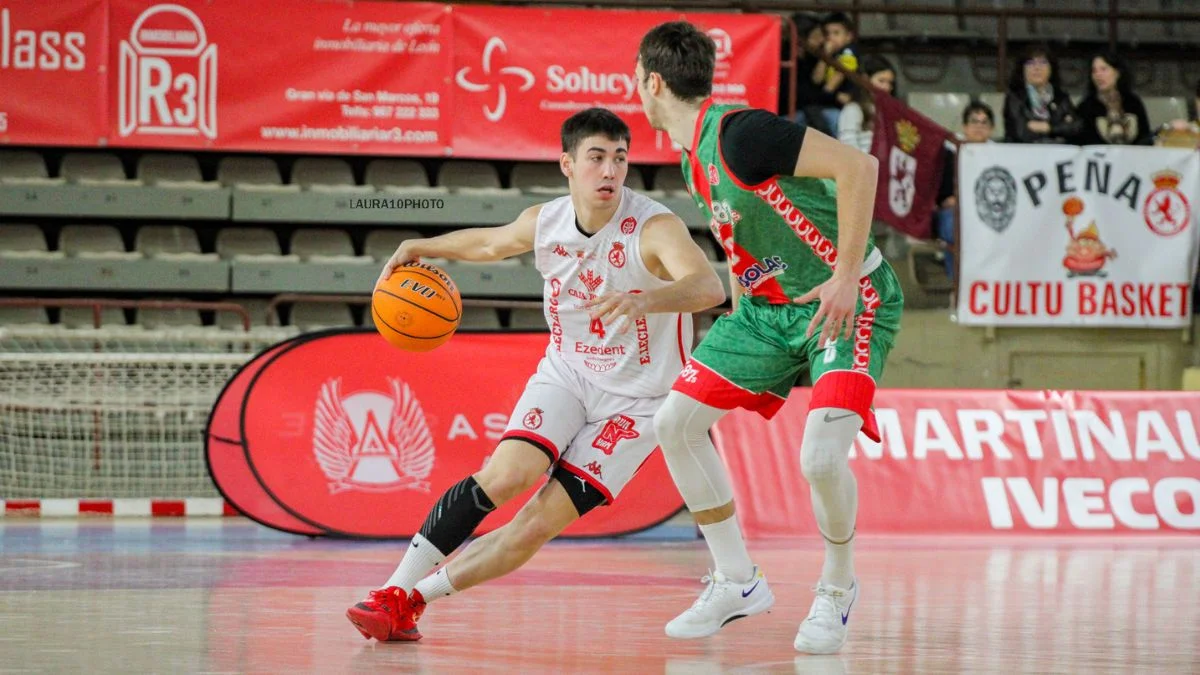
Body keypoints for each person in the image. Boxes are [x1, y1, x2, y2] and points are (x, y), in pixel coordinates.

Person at [345, 107, 726, 642]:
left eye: (620, 158)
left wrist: (647, 299)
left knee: (533, 526)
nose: (610, 171)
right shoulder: (544, 222)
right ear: (567, 164)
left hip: (638, 402)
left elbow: (709, 287)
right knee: (507, 475)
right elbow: (489, 243)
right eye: (596, 158)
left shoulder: (654, 227)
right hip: (569, 372)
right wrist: (420, 246)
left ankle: (414, 601)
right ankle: (390, 590)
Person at [635, 21, 905, 655]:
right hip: (766, 312)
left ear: (651, 82)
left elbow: (859, 165)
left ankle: (837, 587)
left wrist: (842, 276)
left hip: (847, 301)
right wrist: (739, 294)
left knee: (818, 458)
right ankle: (736, 580)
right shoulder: (690, 154)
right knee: (673, 423)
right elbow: (747, 238)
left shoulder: (740, 132)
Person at [935, 101, 996, 279]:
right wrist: (949, 199)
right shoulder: (950, 151)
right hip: (957, 208)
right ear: (964, 127)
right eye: (974, 121)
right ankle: (957, 285)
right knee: (949, 226)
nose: (979, 126)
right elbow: (943, 192)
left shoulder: (1000, 154)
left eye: (984, 122)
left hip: (988, 210)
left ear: (992, 129)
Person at [1003, 44, 1081, 144]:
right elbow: (1021, 133)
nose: (1037, 68)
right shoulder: (1014, 98)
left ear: (1051, 68)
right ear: (1022, 69)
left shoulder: (1061, 97)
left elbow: (1075, 128)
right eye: (1031, 63)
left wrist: (1048, 127)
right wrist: (1060, 127)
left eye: (1043, 63)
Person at [1075, 52, 1152, 146]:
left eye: (1104, 69)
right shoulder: (1086, 106)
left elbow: (1145, 137)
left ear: (1117, 73)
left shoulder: (1133, 103)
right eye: (1094, 71)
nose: (1098, 75)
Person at [836, 54, 899, 153]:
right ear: (866, 80)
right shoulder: (853, 109)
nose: (886, 87)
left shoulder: (892, 110)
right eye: (881, 81)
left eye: (890, 83)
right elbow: (848, 146)